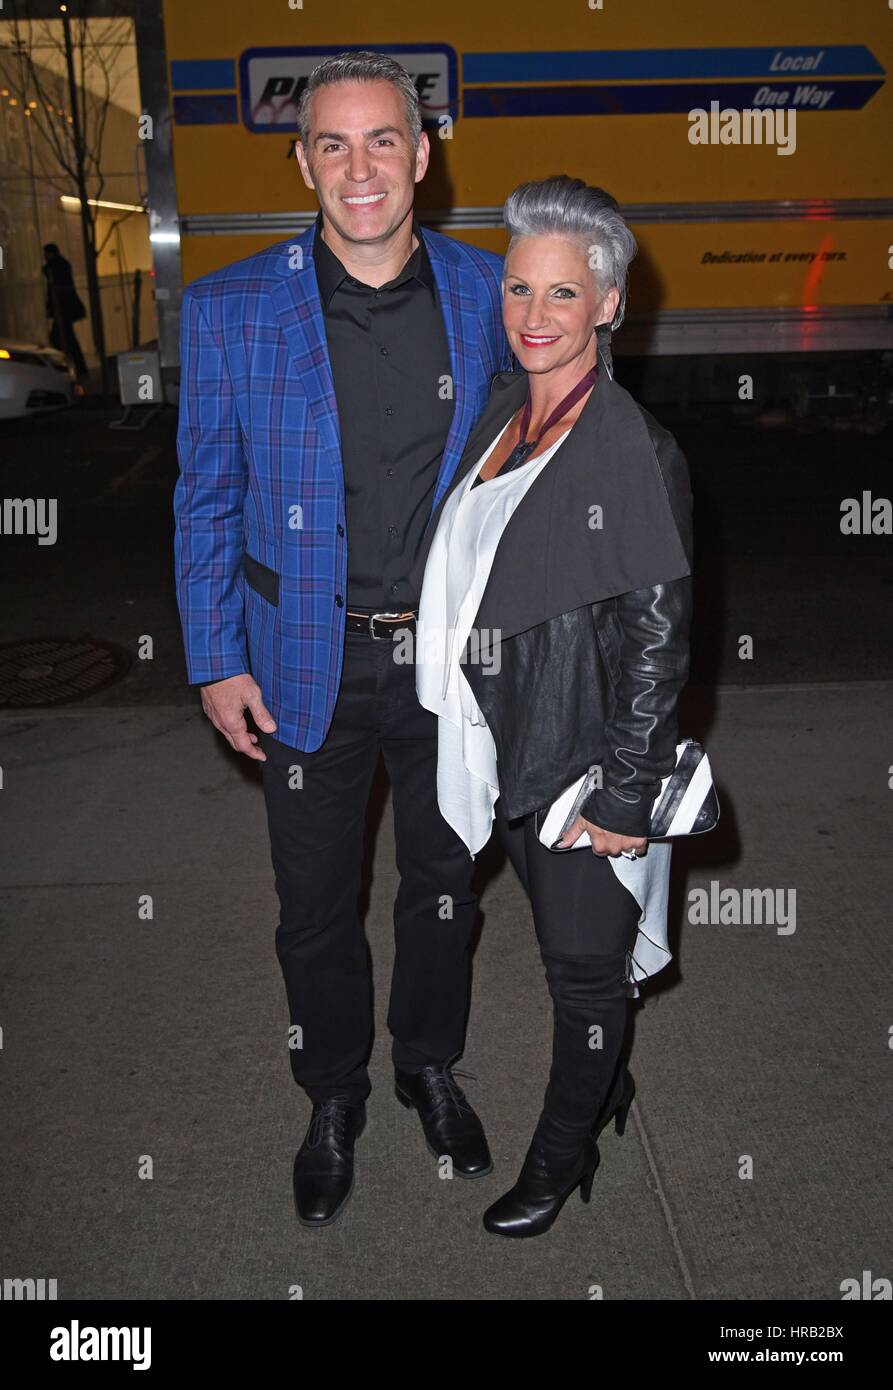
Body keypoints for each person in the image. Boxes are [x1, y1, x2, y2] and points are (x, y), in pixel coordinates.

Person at [173, 52, 511, 1228]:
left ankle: (427, 1061)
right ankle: (331, 1093)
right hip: (302, 662)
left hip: (450, 669)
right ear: (302, 161)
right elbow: (205, 496)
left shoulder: (491, 296)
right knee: (313, 905)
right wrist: (215, 654)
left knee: (441, 888)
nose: (358, 167)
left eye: (383, 141)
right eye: (332, 144)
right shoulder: (227, 308)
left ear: (423, 156)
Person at [413, 175, 694, 1238]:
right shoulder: (503, 415)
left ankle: (558, 1151)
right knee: (555, 956)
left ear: (609, 304)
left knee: (581, 981)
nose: (533, 317)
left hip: (583, 765)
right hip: (513, 746)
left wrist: (625, 796)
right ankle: (603, 1090)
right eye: (517, 290)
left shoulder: (630, 451)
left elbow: (659, 646)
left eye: (562, 296)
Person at [42, 243, 88, 378]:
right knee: (67, 339)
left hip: (63, 310)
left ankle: (69, 367)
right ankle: (76, 367)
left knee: (61, 338)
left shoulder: (58, 266)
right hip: (64, 310)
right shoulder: (61, 265)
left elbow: (56, 289)